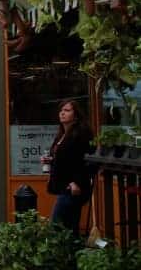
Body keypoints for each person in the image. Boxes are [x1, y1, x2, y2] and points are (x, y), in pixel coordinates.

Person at [42, 100, 94, 236]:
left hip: (73, 188)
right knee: (70, 227)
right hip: (63, 186)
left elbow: (85, 161)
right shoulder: (62, 134)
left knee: (56, 225)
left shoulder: (81, 134)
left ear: (76, 115)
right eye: (61, 110)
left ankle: (65, 254)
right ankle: (73, 255)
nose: (62, 113)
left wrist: (75, 182)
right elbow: (64, 160)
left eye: (67, 110)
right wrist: (50, 160)